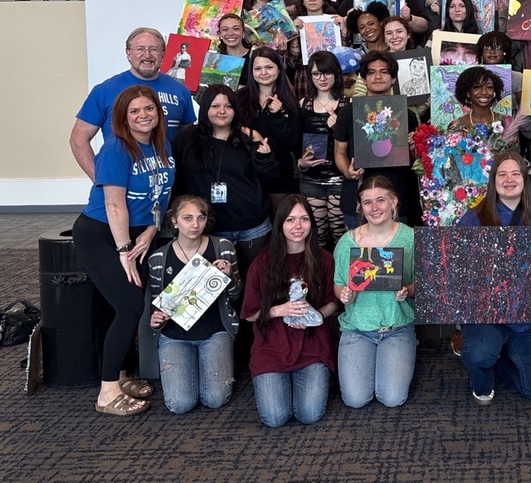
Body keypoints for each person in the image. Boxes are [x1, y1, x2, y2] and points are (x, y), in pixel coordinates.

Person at [72, 85, 174, 416]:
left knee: (131, 304)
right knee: (130, 306)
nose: (143, 115)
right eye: (134, 111)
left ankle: (118, 375)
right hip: (103, 234)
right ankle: (106, 393)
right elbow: (114, 206)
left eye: (148, 109)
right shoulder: (116, 150)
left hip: (136, 233)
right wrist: (124, 249)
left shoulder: (161, 144)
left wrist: (150, 231)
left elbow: (162, 193)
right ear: (123, 118)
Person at [458, 152, 531, 405]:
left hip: (528, 317)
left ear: (525, 179)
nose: (509, 179)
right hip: (486, 314)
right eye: (502, 174)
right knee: (479, 353)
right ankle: (482, 372)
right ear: (493, 181)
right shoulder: (473, 219)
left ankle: (499, 361)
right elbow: (455, 270)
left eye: (515, 173)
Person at [241, 195, 338, 427]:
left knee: (310, 414)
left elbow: (333, 302)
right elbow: (250, 313)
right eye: (290, 220)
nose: (297, 226)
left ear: (312, 224)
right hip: (272, 346)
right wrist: (279, 310)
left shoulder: (324, 259)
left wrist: (315, 317)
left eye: (304, 219)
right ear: (280, 224)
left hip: (311, 343)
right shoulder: (262, 263)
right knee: (275, 418)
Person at [146, 195, 242, 414]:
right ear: (174, 221)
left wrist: (229, 277)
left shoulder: (223, 247)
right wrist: (155, 318)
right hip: (175, 336)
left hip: (215, 331)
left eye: (201, 218)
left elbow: (237, 296)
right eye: (187, 218)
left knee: (215, 398)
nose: (195, 224)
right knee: (179, 404)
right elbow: (157, 303)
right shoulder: (158, 258)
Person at [171, 85, 276, 280]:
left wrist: (265, 157)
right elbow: (176, 180)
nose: (222, 111)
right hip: (209, 227)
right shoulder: (186, 139)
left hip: (252, 224)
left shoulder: (250, 136)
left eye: (228, 106)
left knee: (257, 281)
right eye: (215, 106)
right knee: (213, 284)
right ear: (205, 109)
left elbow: (269, 177)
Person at [332, 175, 416, 408]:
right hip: (357, 328)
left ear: (394, 202)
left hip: (396, 327)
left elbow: (426, 283)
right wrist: (343, 294)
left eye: (380, 200)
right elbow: (338, 283)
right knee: (355, 399)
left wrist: (407, 291)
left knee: (392, 398)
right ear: (360, 207)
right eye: (367, 202)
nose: (374, 207)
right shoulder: (347, 242)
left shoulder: (410, 238)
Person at [70, 27, 196, 180]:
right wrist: (101, 180)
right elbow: (78, 139)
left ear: (163, 54)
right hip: (124, 181)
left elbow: (189, 140)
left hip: (168, 183)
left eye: (153, 49)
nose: (147, 55)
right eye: (140, 49)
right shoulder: (105, 90)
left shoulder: (180, 90)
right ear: (128, 54)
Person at [333, 51, 420, 229]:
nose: (378, 76)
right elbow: (340, 151)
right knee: (359, 254)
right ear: (364, 79)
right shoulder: (348, 112)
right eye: (371, 72)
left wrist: (413, 148)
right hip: (358, 196)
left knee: (397, 254)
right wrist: (347, 171)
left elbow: (412, 162)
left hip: (398, 197)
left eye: (384, 71)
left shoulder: (407, 115)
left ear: (393, 78)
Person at [235, 47, 301, 211]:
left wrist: (276, 116)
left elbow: (291, 142)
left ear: (279, 69)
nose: (263, 72)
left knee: (279, 222)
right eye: (257, 68)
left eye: (269, 67)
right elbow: (229, 129)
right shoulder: (239, 97)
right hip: (245, 171)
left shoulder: (290, 101)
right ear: (251, 72)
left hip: (279, 173)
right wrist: (252, 134)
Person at [298, 52, 347, 250]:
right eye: (316, 74)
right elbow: (297, 141)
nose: (322, 78)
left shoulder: (348, 103)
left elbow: (357, 145)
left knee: (339, 232)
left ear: (336, 74)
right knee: (316, 234)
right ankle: (319, 277)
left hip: (340, 178)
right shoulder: (303, 103)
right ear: (310, 76)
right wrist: (301, 164)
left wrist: (339, 129)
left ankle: (339, 276)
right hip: (310, 179)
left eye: (327, 73)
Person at [447, 66, 508, 133]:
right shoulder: (456, 126)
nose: (484, 92)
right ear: (468, 93)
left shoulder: (507, 122)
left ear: (494, 91)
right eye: (477, 87)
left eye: (489, 87)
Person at [216, 13, 253, 87]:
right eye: (225, 29)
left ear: (243, 32)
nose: (230, 33)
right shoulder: (216, 60)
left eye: (236, 29)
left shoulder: (254, 55)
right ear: (219, 34)